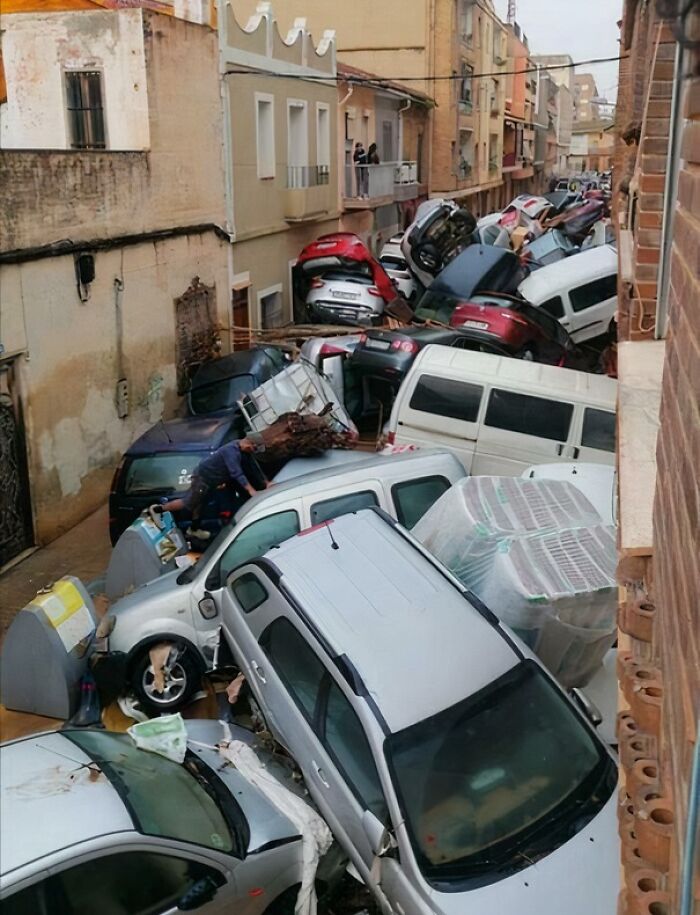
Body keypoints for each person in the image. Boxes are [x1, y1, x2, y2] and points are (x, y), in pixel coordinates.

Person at [154, 437, 271, 540]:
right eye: (254, 449)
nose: (254, 452)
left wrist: (265, 482)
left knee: (200, 504)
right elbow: (236, 473)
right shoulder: (231, 451)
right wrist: (250, 490)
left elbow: (253, 465)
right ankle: (158, 509)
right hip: (203, 479)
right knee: (189, 502)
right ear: (249, 444)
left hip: (212, 481)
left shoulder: (243, 451)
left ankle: (194, 529)